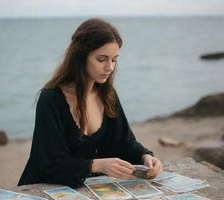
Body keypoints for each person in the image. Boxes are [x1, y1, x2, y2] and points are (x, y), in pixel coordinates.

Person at [18, 18, 162, 188]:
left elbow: (124, 142)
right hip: (42, 188)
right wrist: (97, 165)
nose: (110, 67)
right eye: (102, 59)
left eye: (114, 59)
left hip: (85, 189)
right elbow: (49, 164)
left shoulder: (107, 95)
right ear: (81, 57)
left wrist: (144, 157)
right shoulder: (51, 99)